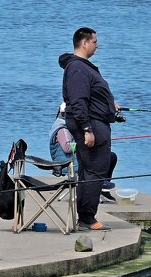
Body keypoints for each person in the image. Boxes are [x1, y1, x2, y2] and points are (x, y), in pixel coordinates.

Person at [59, 27, 123, 231]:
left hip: (97, 123)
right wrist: (87, 129)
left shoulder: (83, 67)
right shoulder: (78, 69)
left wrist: (109, 105)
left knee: (90, 171)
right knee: (95, 170)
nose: (97, 45)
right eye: (95, 42)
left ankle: (85, 215)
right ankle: (87, 217)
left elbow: (92, 95)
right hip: (90, 126)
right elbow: (78, 102)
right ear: (84, 43)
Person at [49, 102, 117, 201]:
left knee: (111, 156)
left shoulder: (71, 126)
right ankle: (99, 185)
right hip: (67, 163)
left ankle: (102, 187)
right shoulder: (62, 129)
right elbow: (67, 148)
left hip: (76, 158)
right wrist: (84, 142)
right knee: (101, 158)